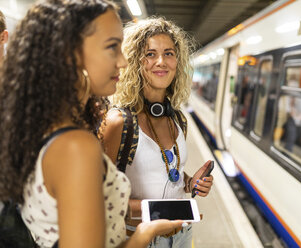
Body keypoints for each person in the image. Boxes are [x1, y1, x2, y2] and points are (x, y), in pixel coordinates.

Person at [0, 1, 184, 248]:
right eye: (111, 47)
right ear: (70, 54)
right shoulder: (76, 146)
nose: (123, 62)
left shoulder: (46, 126)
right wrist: (145, 233)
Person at [100, 17, 214, 247]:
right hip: (137, 236)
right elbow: (97, 196)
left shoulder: (177, 119)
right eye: (150, 54)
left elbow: (167, 171)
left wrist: (190, 183)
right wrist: (158, 210)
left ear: (177, 61)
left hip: (182, 234)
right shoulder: (118, 122)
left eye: (169, 53)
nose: (161, 61)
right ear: (135, 61)